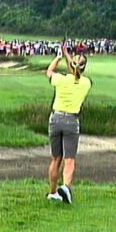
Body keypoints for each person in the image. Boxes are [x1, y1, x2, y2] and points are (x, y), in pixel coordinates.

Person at [45, 45, 92, 204]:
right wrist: (67, 54)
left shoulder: (60, 79)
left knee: (56, 159)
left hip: (56, 119)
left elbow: (49, 72)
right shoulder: (86, 83)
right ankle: (65, 187)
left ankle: (52, 192)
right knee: (69, 159)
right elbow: (75, 69)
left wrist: (59, 57)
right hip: (71, 121)